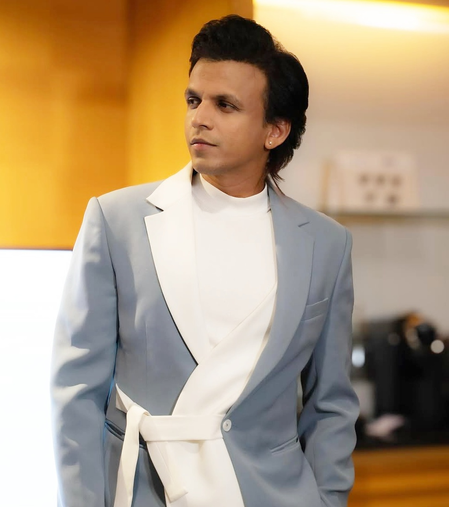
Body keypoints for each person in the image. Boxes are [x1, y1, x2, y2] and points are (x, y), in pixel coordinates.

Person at [51, 14, 359, 507]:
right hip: (146, 489)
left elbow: (331, 404)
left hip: (273, 494)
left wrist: (327, 499)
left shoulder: (326, 244)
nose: (200, 117)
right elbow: (76, 389)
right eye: (193, 100)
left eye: (225, 105)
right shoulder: (117, 220)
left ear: (275, 131)